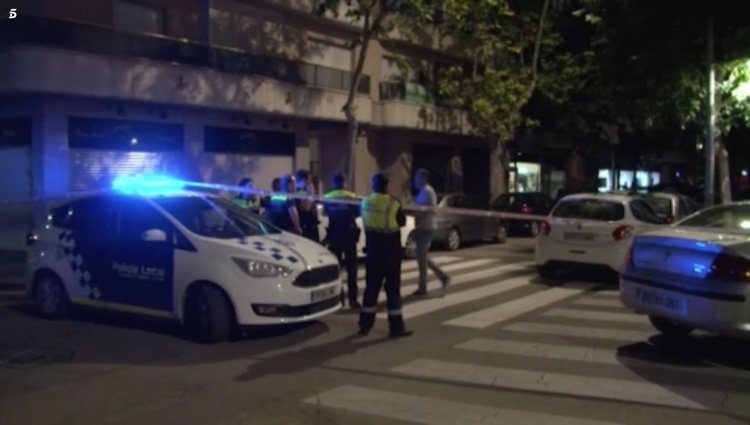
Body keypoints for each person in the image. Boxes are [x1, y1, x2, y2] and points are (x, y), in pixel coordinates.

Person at [358, 172, 412, 338]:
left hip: (373, 252)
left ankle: (365, 325)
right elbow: (401, 222)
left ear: (372, 184)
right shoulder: (393, 203)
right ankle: (396, 328)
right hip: (390, 252)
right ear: (386, 185)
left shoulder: (365, 202)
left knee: (371, 289)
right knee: (393, 291)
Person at [323, 172, 360, 308]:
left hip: (334, 235)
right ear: (344, 182)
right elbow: (357, 213)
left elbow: (325, 213)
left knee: (337, 269)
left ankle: (339, 299)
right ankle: (353, 300)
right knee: (352, 270)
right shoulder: (352, 197)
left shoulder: (327, 197)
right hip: (349, 236)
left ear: (334, 183)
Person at [411, 169, 450, 296]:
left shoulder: (428, 191)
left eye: (417, 178)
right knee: (422, 257)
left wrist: (419, 217)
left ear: (423, 178)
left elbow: (431, 209)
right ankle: (442, 276)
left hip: (427, 228)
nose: (415, 180)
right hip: (422, 227)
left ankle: (423, 288)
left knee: (421, 259)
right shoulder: (423, 191)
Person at [295, 169, 320, 242]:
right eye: (309, 179)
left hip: (310, 224)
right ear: (304, 180)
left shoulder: (300, 190)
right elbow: (306, 208)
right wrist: (310, 191)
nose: (311, 182)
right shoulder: (301, 192)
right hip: (306, 226)